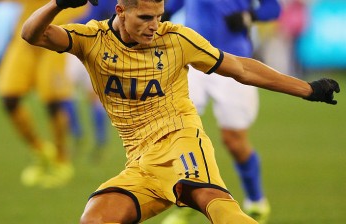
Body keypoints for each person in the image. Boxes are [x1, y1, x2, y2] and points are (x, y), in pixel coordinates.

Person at [21, 0, 339, 223]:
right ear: (120, 12)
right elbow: (32, 34)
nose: (154, 25)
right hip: (141, 163)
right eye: (145, 18)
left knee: (215, 205)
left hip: (182, 144)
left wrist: (308, 90)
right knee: (96, 218)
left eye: (158, 15)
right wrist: (58, 4)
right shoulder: (91, 39)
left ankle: (253, 201)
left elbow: (240, 67)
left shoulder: (177, 39)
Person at [160, 0, 281, 223]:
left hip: (236, 62)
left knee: (234, 140)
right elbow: (171, 5)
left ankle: (256, 201)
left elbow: (272, 8)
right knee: (179, 131)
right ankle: (185, 201)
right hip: (193, 60)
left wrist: (249, 17)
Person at [0, 0, 87, 188]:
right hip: (25, 36)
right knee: (9, 98)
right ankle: (40, 151)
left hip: (54, 35)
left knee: (53, 101)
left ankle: (61, 159)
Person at [63, 0, 117, 161]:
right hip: (73, 40)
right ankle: (78, 134)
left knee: (90, 94)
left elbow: (113, 14)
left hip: (92, 42)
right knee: (67, 91)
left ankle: (97, 140)